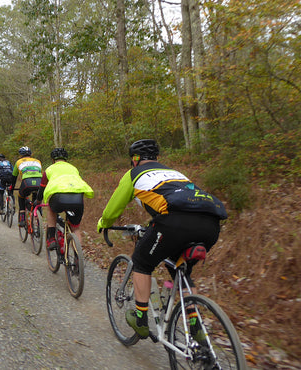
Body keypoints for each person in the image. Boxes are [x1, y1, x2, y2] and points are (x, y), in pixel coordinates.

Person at [96, 139, 227, 340]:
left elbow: (114, 208)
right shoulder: (176, 174)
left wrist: (104, 222)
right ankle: (195, 324)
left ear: (135, 159)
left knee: (141, 262)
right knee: (178, 267)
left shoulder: (134, 174)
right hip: (211, 225)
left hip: (174, 222)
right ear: (157, 158)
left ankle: (140, 319)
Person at [35, 147, 94, 249]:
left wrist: (38, 200)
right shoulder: (73, 168)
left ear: (53, 160)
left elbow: (42, 187)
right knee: (75, 229)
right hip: (78, 198)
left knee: (51, 209)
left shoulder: (49, 169)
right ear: (66, 159)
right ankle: (78, 258)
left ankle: (51, 238)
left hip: (59, 197)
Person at [11, 146, 42, 227]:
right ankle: (39, 218)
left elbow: (14, 177)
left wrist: (12, 188)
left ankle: (22, 218)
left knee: (21, 196)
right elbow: (39, 172)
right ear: (30, 154)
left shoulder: (18, 162)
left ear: (20, 155)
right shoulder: (37, 161)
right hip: (39, 182)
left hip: (27, 183)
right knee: (37, 199)